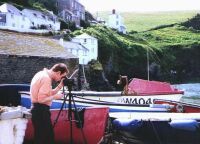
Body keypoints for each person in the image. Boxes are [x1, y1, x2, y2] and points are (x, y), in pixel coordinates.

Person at [30, 63, 69, 144]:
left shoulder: (40, 74)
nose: (60, 79)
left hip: (37, 110)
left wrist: (60, 86)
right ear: (58, 72)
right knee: (48, 139)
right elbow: (41, 99)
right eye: (62, 77)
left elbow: (48, 93)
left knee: (40, 138)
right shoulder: (46, 79)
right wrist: (56, 97)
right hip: (41, 111)